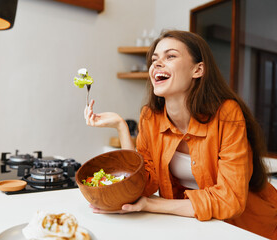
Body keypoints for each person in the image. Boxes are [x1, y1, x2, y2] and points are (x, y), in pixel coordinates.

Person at [84, 30, 277, 239]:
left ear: (198, 70)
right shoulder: (150, 117)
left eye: (171, 56)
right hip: (195, 227)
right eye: (154, 59)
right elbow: (142, 186)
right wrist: (120, 126)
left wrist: (154, 205)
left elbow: (230, 200)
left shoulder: (227, 114)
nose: (156, 64)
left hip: (247, 228)